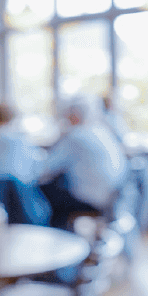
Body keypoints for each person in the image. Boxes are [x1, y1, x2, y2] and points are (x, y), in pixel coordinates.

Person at [40, 95, 128, 230]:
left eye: (68, 114)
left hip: (91, 199)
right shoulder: (101, 131)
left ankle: (56, 239)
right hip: (113, 197)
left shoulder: (76, 136)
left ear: (74, 115)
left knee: (42, 196)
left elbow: (45, 169)